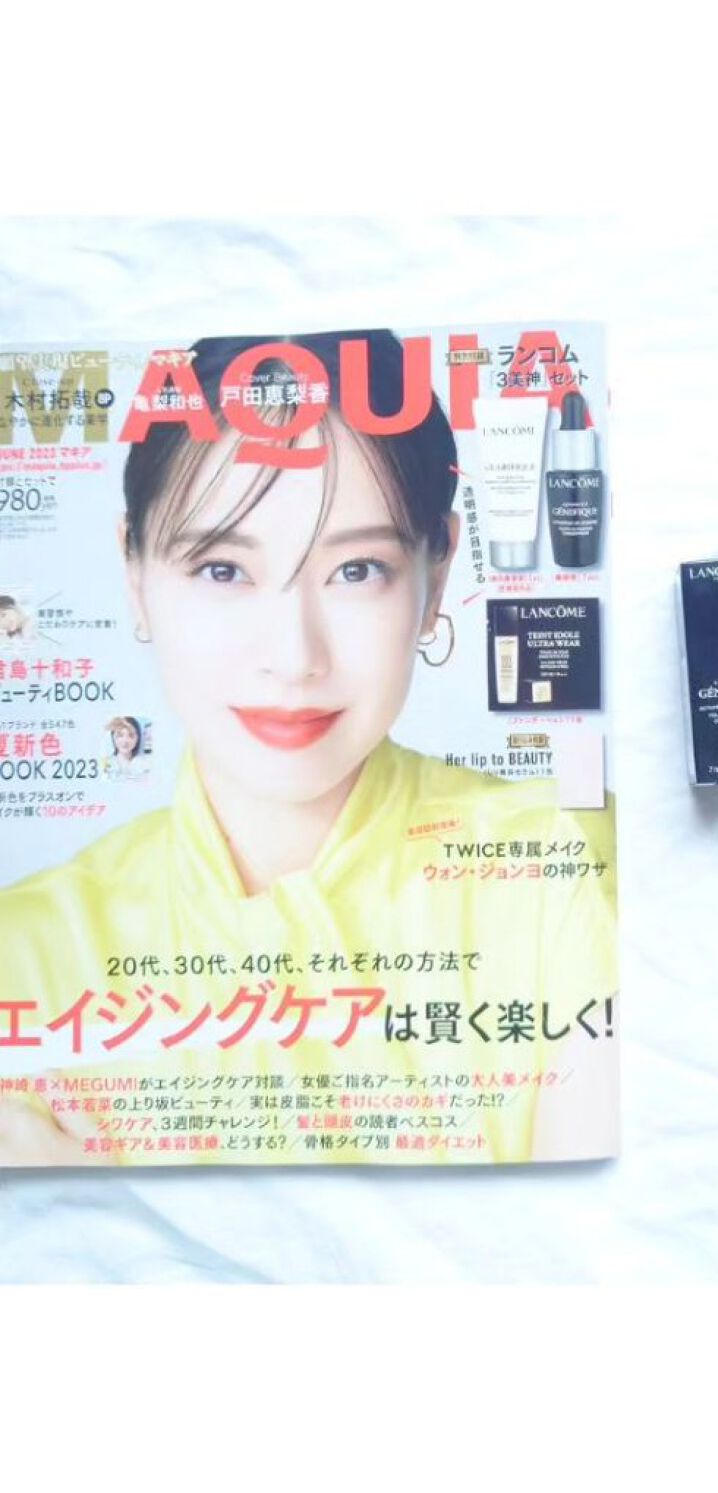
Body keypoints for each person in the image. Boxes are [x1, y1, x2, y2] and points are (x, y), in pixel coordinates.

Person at [0, 330, 617, 1168]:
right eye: (223, 570)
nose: (294, 657)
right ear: (134, 574)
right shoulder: (26, 941)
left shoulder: (563, 854)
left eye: (357, 570)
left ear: (435, 575)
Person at [104, 716, 149, 780]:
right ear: (113, 737)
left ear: (138, 738)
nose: (125, 741)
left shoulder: (144, 766)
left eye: (131, 735)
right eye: (120, 735)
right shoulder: (106, 765)